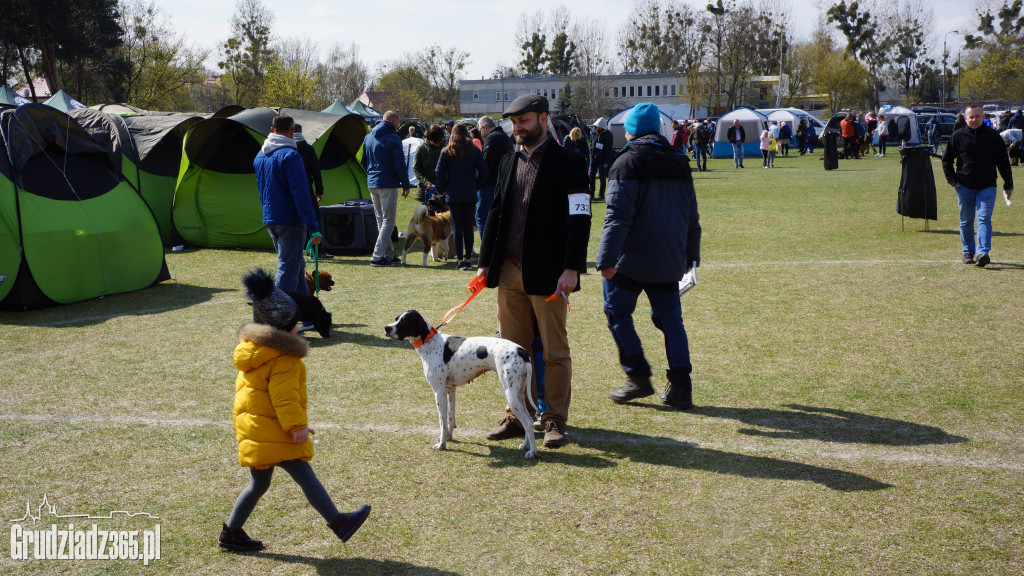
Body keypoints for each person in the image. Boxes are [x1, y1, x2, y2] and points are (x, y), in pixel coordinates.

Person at [219, 268, 371, 552]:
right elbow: (284, 398)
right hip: (275, 431)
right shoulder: (285, 359)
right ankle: (339, 522)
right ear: (281, 328)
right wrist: (296, 427)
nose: (299, 326)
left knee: (258, 485)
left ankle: (232, 533)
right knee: (304, 474)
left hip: (256, 430)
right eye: (295, 323)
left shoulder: (251, 351)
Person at [476, 94, 590, 448]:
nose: (517, 128)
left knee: (554, 351)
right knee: (511, 352)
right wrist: (484, 263)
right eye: (513, 122)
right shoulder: (508, 160)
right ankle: (518, 415)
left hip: (550, 274)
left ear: (543, 119)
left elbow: (580, 217)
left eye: (523, 121)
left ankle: (554, 419)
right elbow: (495, 212)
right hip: (508, 273)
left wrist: (572, 268)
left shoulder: (570, 162)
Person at [596, 103, 700, 410]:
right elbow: (692, 216)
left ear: (632, 129)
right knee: (671, 320)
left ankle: (638, 377)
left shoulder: (626, 161)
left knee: (616, 312)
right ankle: (681, 385)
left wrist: (606, 258)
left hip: (631, 259)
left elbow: (618, 215)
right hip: (670, 256)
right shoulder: (679, 160)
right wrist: (690, 256)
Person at [254, 113, 320, 296]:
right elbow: (301, 194)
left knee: (296, 265)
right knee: (288, 271)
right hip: (290, 220)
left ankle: (306, 312)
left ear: (272, 130)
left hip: (271, 218)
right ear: (292, 131)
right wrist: (314, 227)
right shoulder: (291, 155)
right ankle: (278, 316)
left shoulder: (260, 156)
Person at [941, 104, 1014, 267]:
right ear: (965, 118)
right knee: (966, 220)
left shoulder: (993, 136)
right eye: (971, 116)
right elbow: (946, 160)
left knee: (984, 219)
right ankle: (968, 252)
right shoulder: (957, 136)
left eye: (977, 116)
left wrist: (1008, 183)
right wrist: (953, 181)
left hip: (987, 186)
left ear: (984, 117)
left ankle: (983, 253)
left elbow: (1003, 162)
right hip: (964, 186)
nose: (974, 119)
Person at [361, 111, 411, 267]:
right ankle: (377, 256)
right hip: (387, 182)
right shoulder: (394, 138)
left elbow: (363, 161)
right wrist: (405, 184)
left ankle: (388, 254)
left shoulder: (368, 137)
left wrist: (371, 174)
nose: (399, 126)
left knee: (381, 221)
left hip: (372, 182)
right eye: (399, 122)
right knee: (388, 221)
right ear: (394, 121)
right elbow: (399, 164)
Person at [436, 123, 488, 271]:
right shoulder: (473, 150)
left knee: (457, 226)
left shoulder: (446, 151)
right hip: (470, 192)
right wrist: (476, 186)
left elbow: (439, 173)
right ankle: (467, 259)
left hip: (453, 193)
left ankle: (460, 260)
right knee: (468, 227)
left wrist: (446, 187)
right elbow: (484, 172)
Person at [293, 123, 332, 260]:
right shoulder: (308, 149)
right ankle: (316, 250)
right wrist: (319, 190)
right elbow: (316, 171)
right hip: (306, 189)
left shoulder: (286, 149)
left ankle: (299, 249)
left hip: (289, 192)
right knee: (314, 217)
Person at [478, 116, 514, 238]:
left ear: (484, 127)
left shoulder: (492, 138)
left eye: (480, 130)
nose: (480, 134)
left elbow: (485, 163)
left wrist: (479, 184)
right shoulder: (504, 136)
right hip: (503, 183)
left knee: (482, 217)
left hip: (490, 185)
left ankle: (486, 250)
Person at [413, 124, 445, 206]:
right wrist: (425, 183)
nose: (438, 143)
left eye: (440, 140)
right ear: (429, 138)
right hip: (425, 191)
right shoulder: (421, 149)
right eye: (436, 141)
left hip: (443, 191)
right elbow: (417, 169)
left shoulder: (445, 149)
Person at [589, 117, 615, 200]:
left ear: (602, 127)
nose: (596, 128)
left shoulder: (608, 135)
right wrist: (590, 154)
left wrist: (606, 161)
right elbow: (591, 144)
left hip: (602, 160)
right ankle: (591, 194)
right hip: (593, 158)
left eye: (597, 127)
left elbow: (609, 149)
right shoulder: (594, 132)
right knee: (591, 176)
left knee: (602, 177)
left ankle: (601, 195)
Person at [402, 125, 424, 190]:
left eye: (412, 130)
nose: (411, 131)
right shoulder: (406, 138)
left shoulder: (417, 137)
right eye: (410, 130)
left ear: (414, 131)